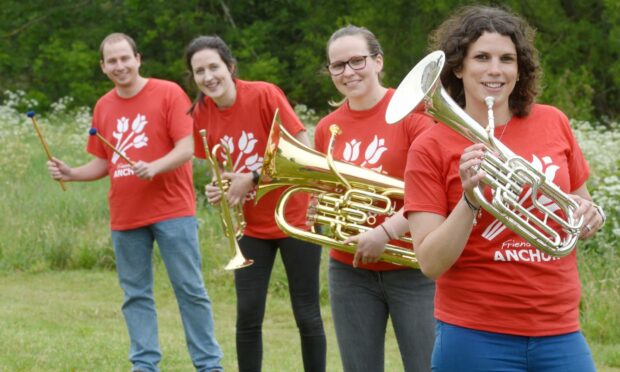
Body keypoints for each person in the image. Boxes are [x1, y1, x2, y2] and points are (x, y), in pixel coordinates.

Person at [403, 6, 606, 372]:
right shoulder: (429, 146)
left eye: (507, 59)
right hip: (474, 333)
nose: (495, 70)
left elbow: (581, 207)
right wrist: (470, 199)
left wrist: (589, 216)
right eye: (481, 57)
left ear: (520, 69)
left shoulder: (553, 121)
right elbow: (430, 262)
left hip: (559, 328)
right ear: (459, 67)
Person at [47, 33, 223, 372]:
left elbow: (187, 147)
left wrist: (154, 167)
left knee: (190, 290)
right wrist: (70, 173)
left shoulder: (168, 92)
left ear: (138, 58)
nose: (120, 66)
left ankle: (209, 365)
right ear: (103, 67)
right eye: (112, 61)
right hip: (126, 216)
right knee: (136, 295)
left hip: (173, 211)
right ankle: (144, 365)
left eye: (125, 58)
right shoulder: (103, 106)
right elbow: (103, 163)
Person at [184, 35, 326, 372]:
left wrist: (254, 176)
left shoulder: (263, 94)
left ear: (230, 67)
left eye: (214, 67)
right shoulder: (201, 112)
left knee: (306, 313)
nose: (208, 77)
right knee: (247, 314)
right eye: (199, 71)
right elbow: (220, 167)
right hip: (250, 226)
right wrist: (219, 188)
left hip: (294, 217)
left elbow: (304, 153)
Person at [314, 25, 436, 372]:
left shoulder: (415, 114)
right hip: (349, 268)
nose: (348, 72)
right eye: (338, 65)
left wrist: (384, 233)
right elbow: (332, 192)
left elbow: (431, 193)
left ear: (378, 61)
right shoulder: (327, 128)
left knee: (426, 366)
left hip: (413, 266)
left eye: (357, 61)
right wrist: (320, 205)